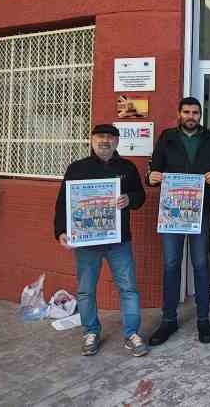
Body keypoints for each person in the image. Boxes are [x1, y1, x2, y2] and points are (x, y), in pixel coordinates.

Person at [54, 124, 148, 357]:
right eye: (100, 136)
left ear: (117, 141)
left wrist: (129, 198)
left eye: (110, 137)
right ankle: (91, 332)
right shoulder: (77, 168)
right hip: (87, 242)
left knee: (128, 289)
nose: (105, 141)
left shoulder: (127, 168)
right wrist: (61, 230)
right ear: (92, 139)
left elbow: (140, 196)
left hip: (119, 241)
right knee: (86, 291)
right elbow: (63, 201)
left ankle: (132, 334)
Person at [147, 97, 210, 345]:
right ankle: (168, 320)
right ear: (179, 113)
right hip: (172, 211)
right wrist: (152, 177)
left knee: (201, 264)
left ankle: (203, 319)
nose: (191, 116)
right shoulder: (167, 138)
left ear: (200, 115)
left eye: (195, 112)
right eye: (187, 112)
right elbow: (153, 170)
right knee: (171, 264)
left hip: (200, 210)